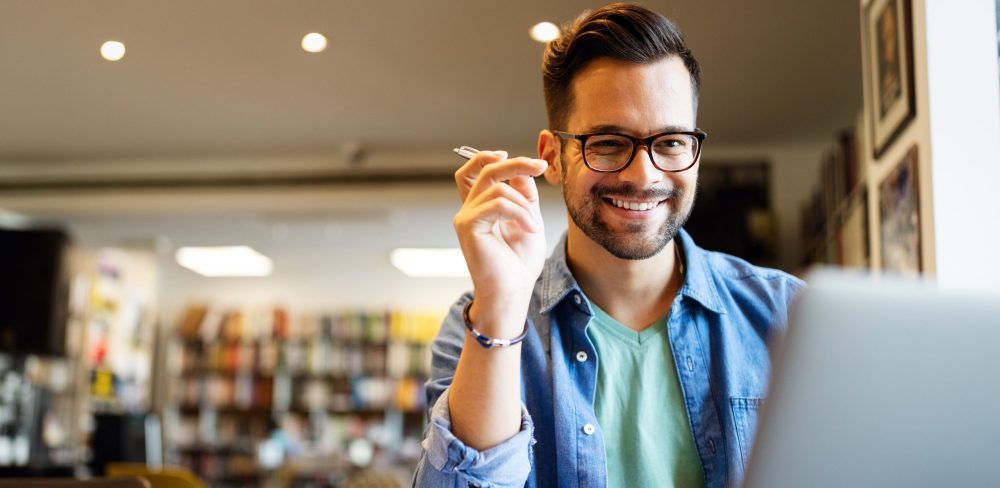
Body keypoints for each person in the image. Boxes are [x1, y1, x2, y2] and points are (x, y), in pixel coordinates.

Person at [412, 3, 804, 487]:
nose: (644, 175)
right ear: (552, 159)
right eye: (608, 143)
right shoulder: (478, 327)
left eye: (672, 142)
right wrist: (501, 304)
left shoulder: (789, 315)